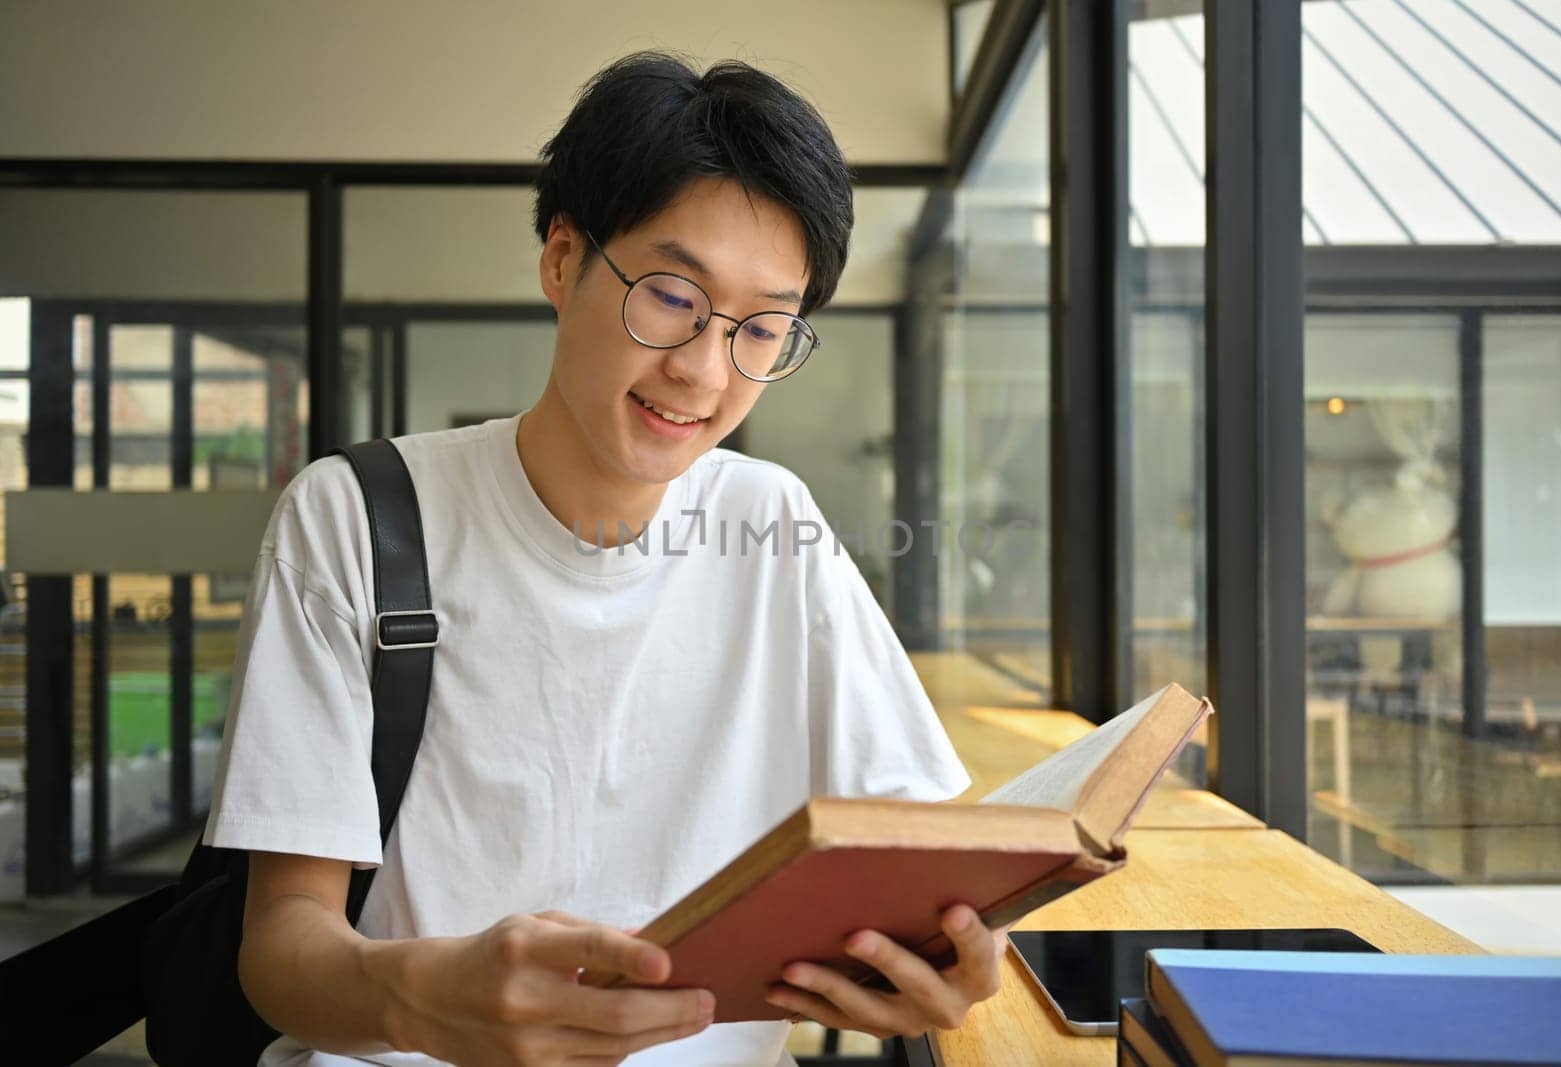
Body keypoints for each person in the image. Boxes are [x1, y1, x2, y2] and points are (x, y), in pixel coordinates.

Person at [206, 51, 1004, 1067]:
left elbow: (920, 849)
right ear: (560, 258)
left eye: (761, 327)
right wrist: (420, 996)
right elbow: (280, 946)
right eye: (671, 295)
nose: (705, 370)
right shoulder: (355, 516)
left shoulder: (776, 527)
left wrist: (965, 947)